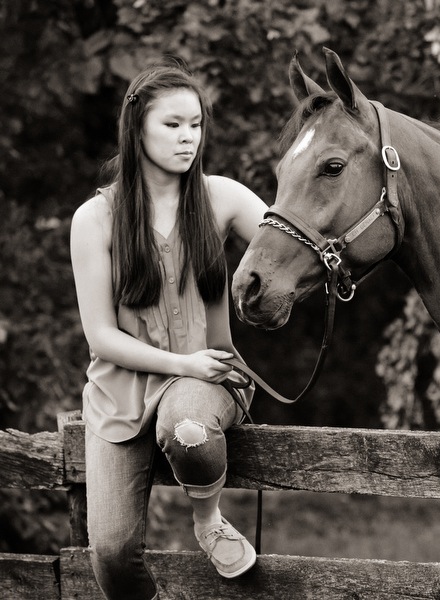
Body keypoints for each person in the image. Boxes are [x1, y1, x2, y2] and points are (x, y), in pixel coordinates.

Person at [70, 58, 269, 599]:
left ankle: (208, 522)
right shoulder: (95, 219)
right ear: (137, 128)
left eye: (196, 125)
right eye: (173, 125)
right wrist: (181, 363)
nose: (188, 138)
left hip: (207, 382)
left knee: (189, 428)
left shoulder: (220, 196)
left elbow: (288, 251)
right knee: (110, 555)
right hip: (121, 394)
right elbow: (101, 338)